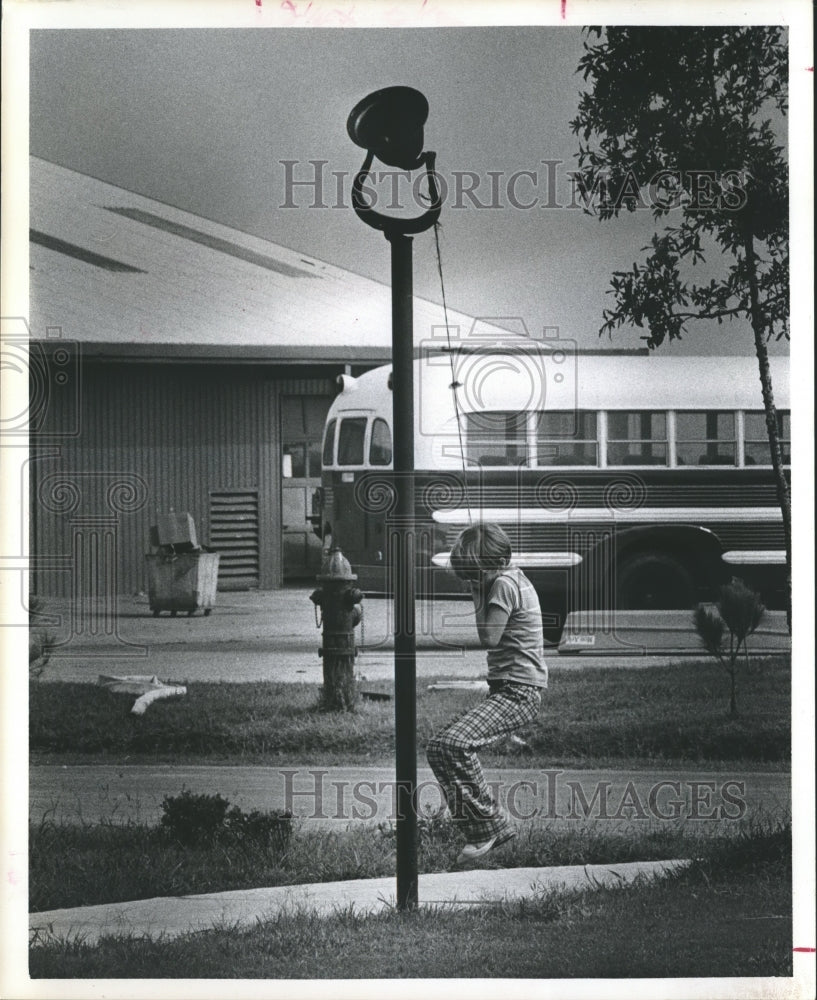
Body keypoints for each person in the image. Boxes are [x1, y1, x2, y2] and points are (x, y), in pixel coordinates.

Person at [427, 522, 548, 864]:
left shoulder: (503, 586)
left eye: (472, 575)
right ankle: (487, 826)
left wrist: (478, 592)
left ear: (489, 566)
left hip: (518, 691)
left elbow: (489, 637)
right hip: (511, 688)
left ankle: (488, 827)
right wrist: (480, 585)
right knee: (442, 748)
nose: (469, 581)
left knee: (451, 745)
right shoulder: (512, 578)